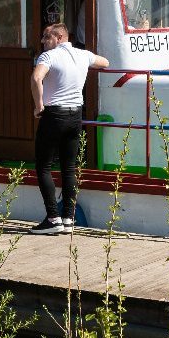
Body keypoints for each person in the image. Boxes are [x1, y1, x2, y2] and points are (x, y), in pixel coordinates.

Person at [29, 22, 110, 235]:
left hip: (54, 114)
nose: (42, 41)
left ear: (59, 37)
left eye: (46, 37)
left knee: (43, 166)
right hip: (76, 115)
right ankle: (68, 218)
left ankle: (52, 218)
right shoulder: (82, 55)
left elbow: (36, 77)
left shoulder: (49, 56)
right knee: (69, 167)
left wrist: (39, 107)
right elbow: (105, 62)